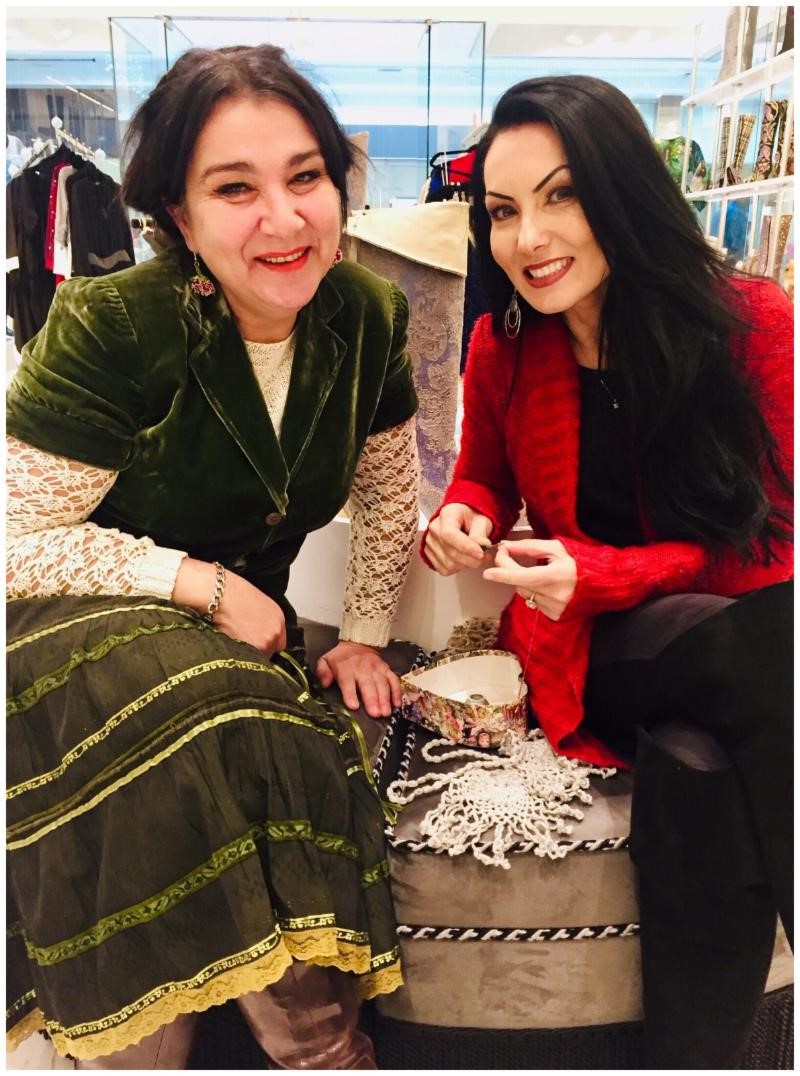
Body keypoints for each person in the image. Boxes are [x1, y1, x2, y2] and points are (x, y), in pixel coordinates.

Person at [6, 44, 421, 1069]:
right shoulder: (112, 323)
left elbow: (384, 489)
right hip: (71, 615)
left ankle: (304, 1044)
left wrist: (365, 635)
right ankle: (264, 1050)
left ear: (338, 181)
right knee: (218, 719)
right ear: (178, 217)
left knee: (231, 709)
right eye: (235, 188)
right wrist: (197, 580)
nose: (282, 219)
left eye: (305, 176)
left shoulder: (365, 315)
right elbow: (14, 540)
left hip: (225, 636)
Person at [423, 75, 792, 1069]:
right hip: (602, 647)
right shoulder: (503, 347)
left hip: (724, 632)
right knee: (765, 641)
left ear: (621, 188)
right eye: (501, 211)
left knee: (697, 767)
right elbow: (477, 482)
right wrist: (458, 519)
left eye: (560, 194)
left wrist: (603, 569)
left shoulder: (750, 320)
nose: (527, 236)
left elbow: (766, 541)